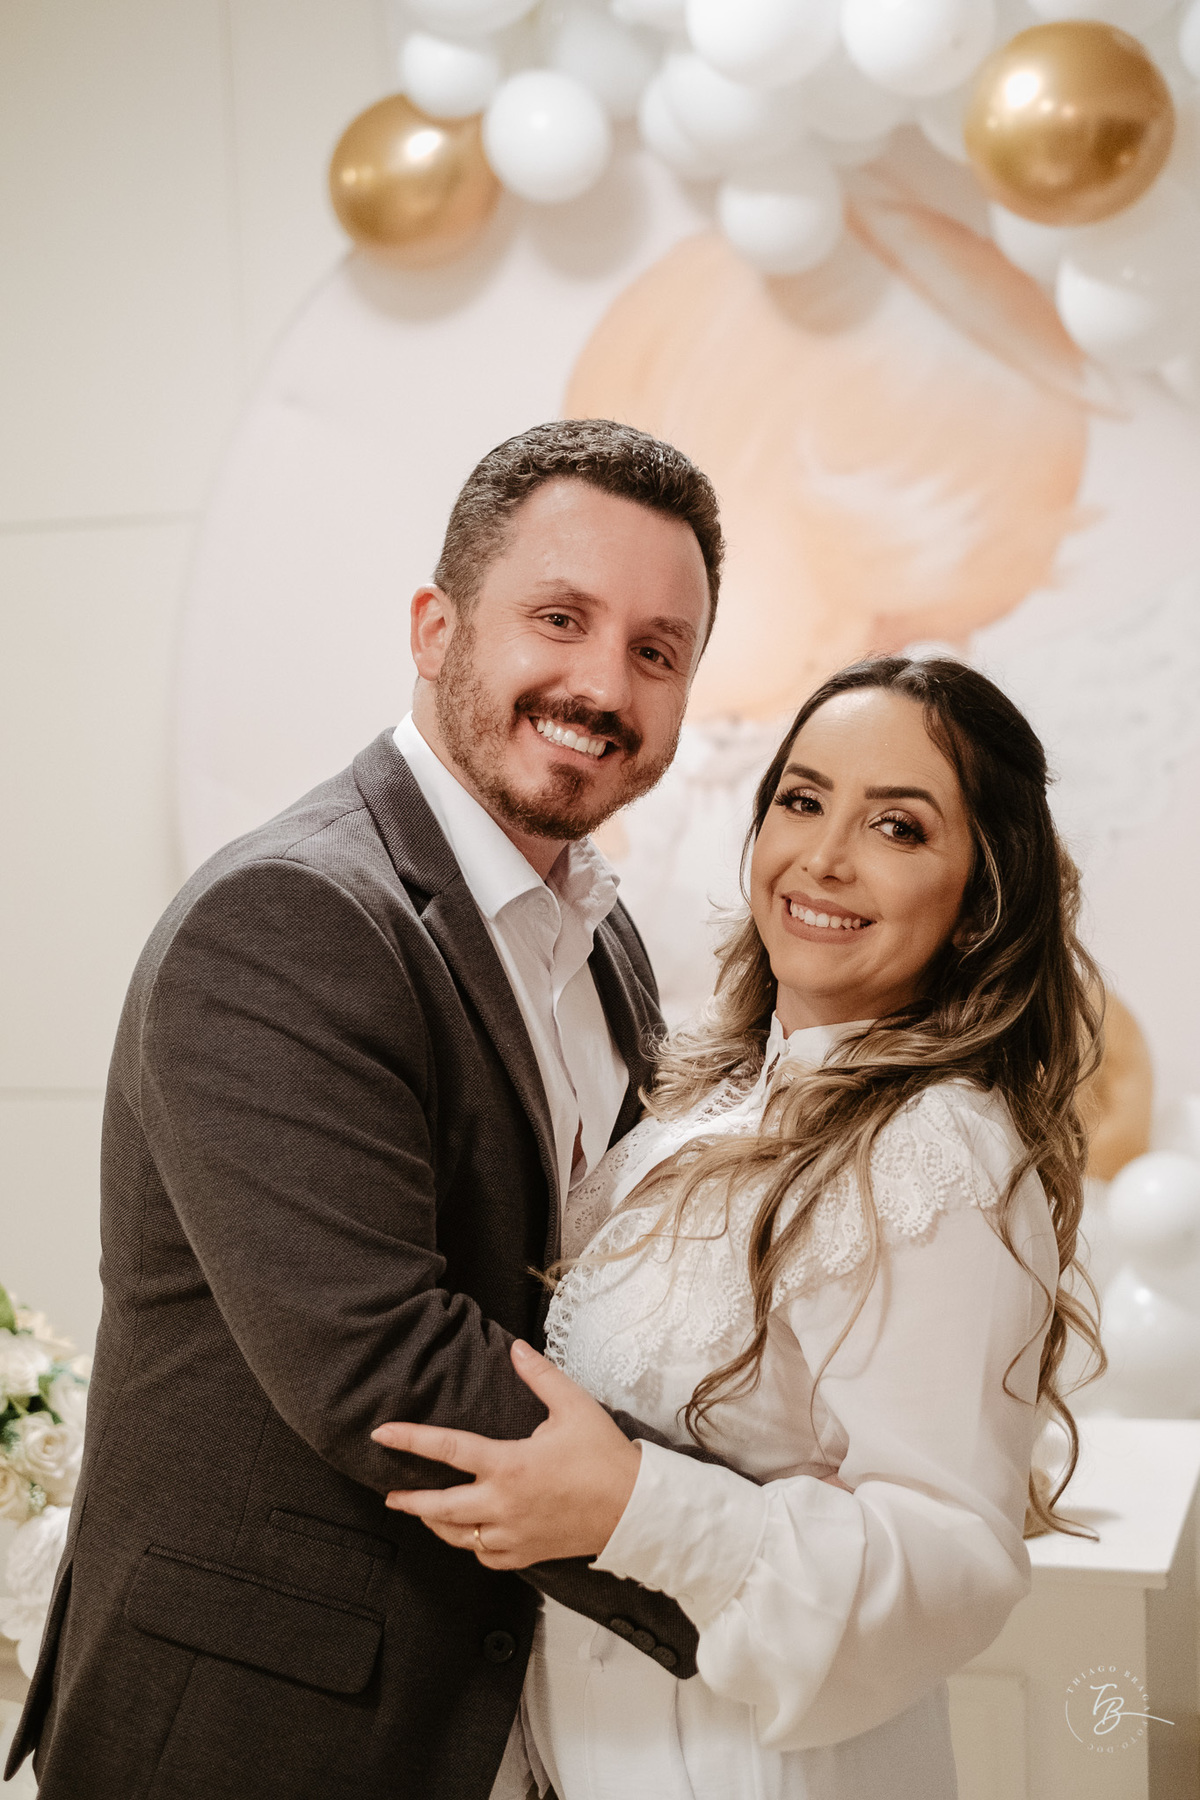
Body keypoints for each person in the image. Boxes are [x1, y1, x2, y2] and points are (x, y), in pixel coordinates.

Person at [6, 419, 727, 1800]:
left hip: (498, 1708)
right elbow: (386, 1366)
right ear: (434, 626)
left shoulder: (606, 941)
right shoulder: (290, 915)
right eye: (559, 618)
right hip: (261, 1728)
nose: (600, 682)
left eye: (655, 649)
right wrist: (740, 1549)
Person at [377, 655, 1104, 1800]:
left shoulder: (937, 1150)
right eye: (802, 800)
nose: (823, 856)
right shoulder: (697, 1104)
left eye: (899, 828)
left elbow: (949, 1560)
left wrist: (634, 1506)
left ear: (980, 900)